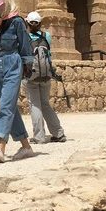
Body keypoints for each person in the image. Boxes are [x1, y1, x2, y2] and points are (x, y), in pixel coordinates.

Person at [0, 0, 35, 163]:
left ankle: (0, 146)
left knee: (5, 105)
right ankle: (26, 147)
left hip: (13, 63)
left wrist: (27, 66)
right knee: (9, 105)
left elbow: (25, 45)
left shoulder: (16, 22)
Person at [24, 11, 66, 144]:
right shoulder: (46, 36)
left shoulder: (25, 37)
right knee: (45, 104)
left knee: (35, 105)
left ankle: (39, 137)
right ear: (40, 23)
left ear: (27, 23)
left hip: (31, 76)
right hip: (46, 75)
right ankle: (58, 133)